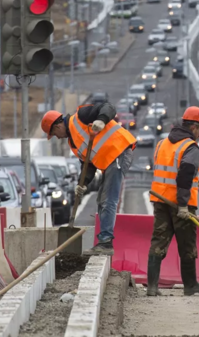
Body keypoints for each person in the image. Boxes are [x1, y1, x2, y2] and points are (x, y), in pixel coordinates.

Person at [41, 103, 136, 255]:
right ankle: (103, 241)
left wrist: (101, 120)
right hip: (110, 159)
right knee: (101, 200)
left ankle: (105, 243)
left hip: (119, 151)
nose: (57, 137)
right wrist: (82, 183)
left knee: (108, 200)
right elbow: (88, 165)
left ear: (58, 125)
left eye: (54, 134)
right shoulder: (73, 142)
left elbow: (108, 107)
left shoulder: (81, 116)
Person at [146, 106, 199, 297]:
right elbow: (184, 176)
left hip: (160, 200)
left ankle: (151, 287)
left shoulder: (162, 143)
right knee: (187, 244)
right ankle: (190, 285)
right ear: (194, 128)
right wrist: (183, 205)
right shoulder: (189, 147)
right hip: (181, 204)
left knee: (158, 241)